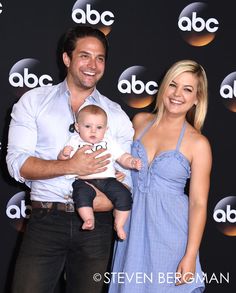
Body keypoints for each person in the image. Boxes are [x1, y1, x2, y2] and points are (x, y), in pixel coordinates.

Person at [6, 25, 134, 293]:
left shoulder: (116, 115)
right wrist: (71, 166)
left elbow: (127, 181)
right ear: (67, 58)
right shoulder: (33, 101)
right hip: (46, 220)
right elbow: (17, 164)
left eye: (100, 58)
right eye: (85, 56)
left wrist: (101, 202)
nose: (93, 65)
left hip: (96, 228)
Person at [108, 59, 212, 293]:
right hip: (133, 229)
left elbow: (198, 204)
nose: (177, 94)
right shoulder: (140, 121)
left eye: (187, 89)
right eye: (173, 85)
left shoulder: (198, 143)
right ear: (163, 87)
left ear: (197, 97)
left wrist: (190, 254)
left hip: (171, 237)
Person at [58, 104, 141, 239]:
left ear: (106, 129)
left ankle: (119, 224)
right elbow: (62, 161)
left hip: (107, 179)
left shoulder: (109, 141)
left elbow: (122, 156)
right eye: (88, 126)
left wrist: (131, 161)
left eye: (99, 128)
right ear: (78, 127)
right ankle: (88, 219)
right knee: (81, 195)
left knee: (124, 195)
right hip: (83, 180)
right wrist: (64, 154)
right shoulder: (74, 141)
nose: (93, 131)